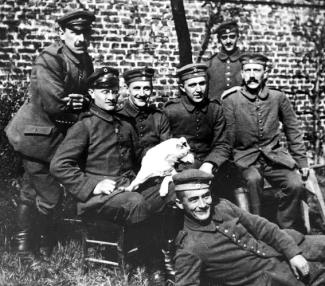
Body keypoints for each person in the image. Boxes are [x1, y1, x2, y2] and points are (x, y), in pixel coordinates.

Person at [50, 67, 169, 285]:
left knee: (169, 191)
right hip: (97, 198)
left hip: (127, 189)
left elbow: (138, 156)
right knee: (136, 202)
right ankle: (155, 264)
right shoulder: (84, 125)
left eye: (114, 91)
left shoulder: (124, 124)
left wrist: (163, 164)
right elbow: (59, 165)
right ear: (91, 93)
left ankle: (176, 252)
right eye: (105, 91)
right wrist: (93, 185)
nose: (111, 96)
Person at [5, 9, 95, 258]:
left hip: (57, 137)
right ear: (62, 33)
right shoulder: (49, 58)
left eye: (85, 33)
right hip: (36, 136)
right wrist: (78, 102)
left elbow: (90, 94)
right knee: (49, 195)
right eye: (75, 33)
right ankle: (30, 249)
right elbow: (55, 103)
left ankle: (30, 247)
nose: (81, 39)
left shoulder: (85, 61)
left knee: (31, 191)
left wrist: (83, 99)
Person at [174, 168, 325, 286]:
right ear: (180, 203)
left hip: (288, 245)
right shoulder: (188, 248)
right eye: (194, 200)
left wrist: (292, 253)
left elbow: (261, 226)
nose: (203, 204)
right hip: (274, 279)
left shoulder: (222, 205)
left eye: (205, 196)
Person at [222, 53, 310, 233]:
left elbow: (292, 129)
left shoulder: (278, 98)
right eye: (248, 71)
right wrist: (229, 165)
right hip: (245, 159)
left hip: (275, 158)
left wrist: (302, 162)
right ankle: (259, 230)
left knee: (295, 184)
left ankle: (286, 227)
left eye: (257, 70)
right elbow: (227, 136)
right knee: (253, 181)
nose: (252, 75)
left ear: (265, 74)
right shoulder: (231, 101)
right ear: (242, 74)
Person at [164, 62, 230, 176]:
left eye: (202, 83)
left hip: (210, 164)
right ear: (182, 88)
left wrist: (210, 163)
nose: (198, 89)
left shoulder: (215, 109)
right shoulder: (171, 111)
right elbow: (165, 145)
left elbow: (222, 144)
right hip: (181, 166)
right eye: (192, 85)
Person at [120, 67, 171, 159]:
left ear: (151, 90)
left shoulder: (159, 117)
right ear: (127, 89)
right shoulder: (118, 117)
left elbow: (167, 150)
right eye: (137, 88)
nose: (142, 93)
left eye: (146, 88)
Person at [207, 20, 242, 100]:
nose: (228, 41)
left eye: (232, 36)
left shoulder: (244, 61)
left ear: (238, 37)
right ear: (219, 39)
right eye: (224, 37)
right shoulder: (211, 63)